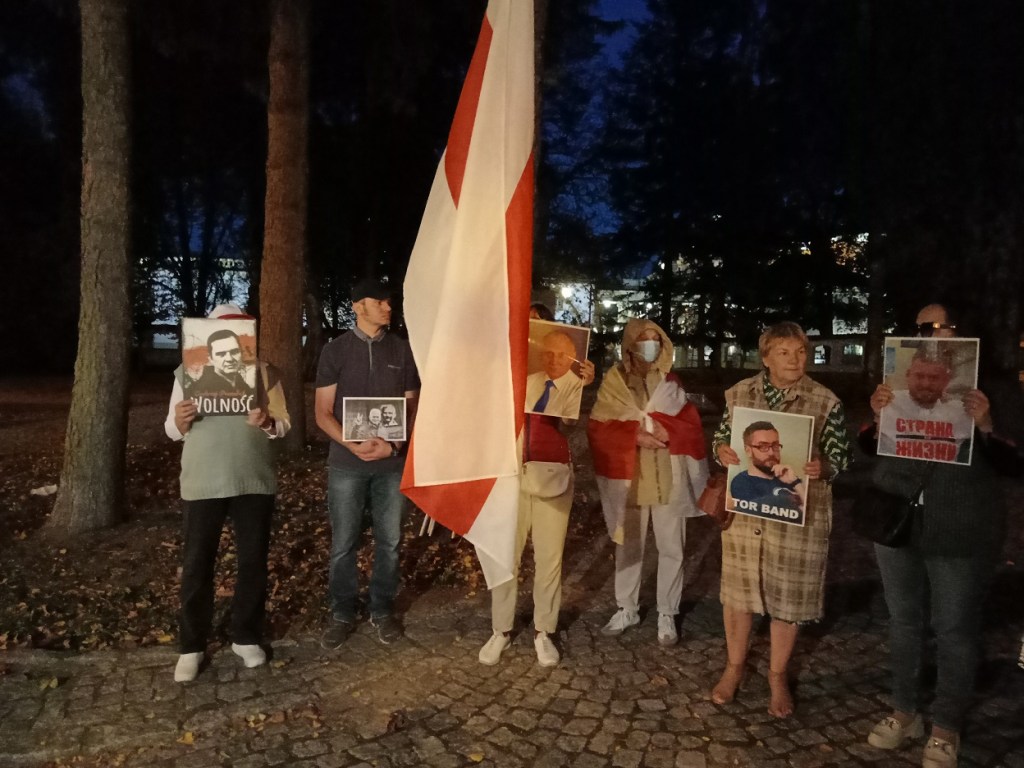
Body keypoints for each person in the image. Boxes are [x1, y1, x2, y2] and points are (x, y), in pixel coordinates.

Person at [860, 303, 1024, 768]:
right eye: (921, 328)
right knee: (903, 621)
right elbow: (869, 446)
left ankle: (946, 727)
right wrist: (877, 418)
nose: (931, 333)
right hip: (897, 521)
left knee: (954, 628)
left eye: (940, 326)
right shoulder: (898, 382)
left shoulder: (995, 387)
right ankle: (904, 711)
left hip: (961, 528)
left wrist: (987, 425)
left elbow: (1015, 462)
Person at [711, 321, 851, 717]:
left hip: (796, 518)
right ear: (766, 357)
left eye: (801, 352)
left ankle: (777, 675)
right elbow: (721, 438)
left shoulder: (825, 401)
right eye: (785, 352)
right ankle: (734, 667)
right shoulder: (739, 394)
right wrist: (721, 450)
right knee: (738, 595)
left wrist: (824, 466)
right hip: (746, 514)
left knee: (788, 600)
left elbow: (842, 457)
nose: (795, 359)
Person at [165, 303, 291, 683]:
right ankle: (191, 646)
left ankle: (245, 636)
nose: (232, 350)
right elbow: (171, 429)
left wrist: (267, 421)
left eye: (240, 338)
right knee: (198, 563)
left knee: (253, 561)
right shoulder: (188, 374)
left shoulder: (266, 373)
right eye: (224, 340)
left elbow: (284, 424)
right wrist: (179, 421)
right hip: (204, 480)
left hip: (253, 479)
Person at [478, 303, 595, 668]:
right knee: (505, 556)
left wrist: (582, 388)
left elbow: (570, 424)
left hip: (551, 473)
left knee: (549, 558)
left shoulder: (566, 379)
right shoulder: (505, 372)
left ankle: (544, 630)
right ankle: (501, 629)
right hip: (508, 474)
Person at [587, 318, 709, 647]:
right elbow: (598, 427)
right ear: (631, 343)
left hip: (668, 476)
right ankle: (627, 608)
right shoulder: (615, 381)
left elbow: (689, 424)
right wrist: (634, 435)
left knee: (672, 547)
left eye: (657, 339)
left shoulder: (670, 381)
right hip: (630, 477)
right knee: (628, 546)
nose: (651, 345)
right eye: (645, 339)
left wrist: (672, 431)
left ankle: (667, 611)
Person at [315, 278, 420, 647]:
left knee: (389, 541)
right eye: (380, 302)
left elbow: (411, 408)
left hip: (391, 466)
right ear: (358, 307)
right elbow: (323, 412)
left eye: (389, 302)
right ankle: (342, 611)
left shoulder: (403, 350)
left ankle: (382, 608)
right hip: (347, 465)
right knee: (344, 542)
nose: (388, 307)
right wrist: (353, 445)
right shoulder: (335, 351)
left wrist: (394, 447)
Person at [877, 345, 974, 463]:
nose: (926, 384)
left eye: (934, 378)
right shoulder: (887, 402)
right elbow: (867, 446)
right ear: (908, 375)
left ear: (946, 380)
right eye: (919, 376)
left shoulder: (963, 411)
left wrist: (984, 422)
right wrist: (874, 415)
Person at [729, 421, 804, 514]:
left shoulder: (789, 477)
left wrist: (796, 483)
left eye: (775, 446)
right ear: (748, 451)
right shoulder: (741, 482)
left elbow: (809, 513)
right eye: (763, 447)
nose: (771, 453)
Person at [525, 330, 585, 418]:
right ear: (541, 355)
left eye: (561, 355)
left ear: (573, 357)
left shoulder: (578, 390)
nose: (554, 361)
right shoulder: (528, 381)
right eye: (549, 354)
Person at [184, 329, 256, 400]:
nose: (229, 359)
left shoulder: (243, 384)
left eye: (234, 352)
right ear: (210, 358)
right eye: (221, 354)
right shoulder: (198, 389)